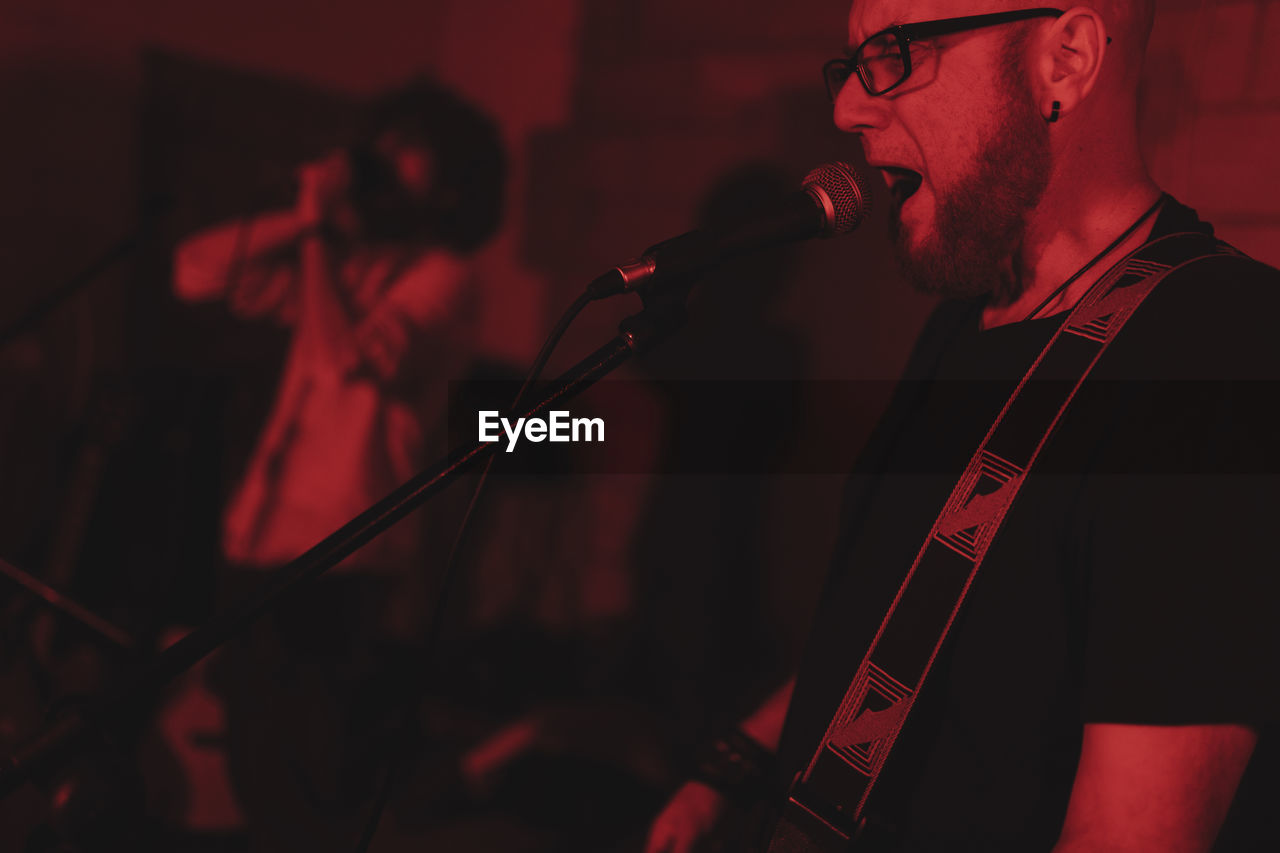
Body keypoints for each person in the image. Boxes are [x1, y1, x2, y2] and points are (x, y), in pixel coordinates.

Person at [647, 1, 1279, 851]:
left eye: (897, 52)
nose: (848, 109)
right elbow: (896, 616)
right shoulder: (966, 320)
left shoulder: (1219, 351)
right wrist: (731, 763)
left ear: (1066, 60)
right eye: (855, 62)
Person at [172, 78, 505, 851]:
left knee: (304, 765)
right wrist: (305, 217)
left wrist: (320, 236)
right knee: (256, 749)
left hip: (342, 547)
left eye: (409, 148)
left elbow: (341, 357)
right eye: (386, 140)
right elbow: (195, 270)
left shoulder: (445, 279)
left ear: (451, 181)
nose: (385, 158)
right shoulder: (349, 263)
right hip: (262, 532)